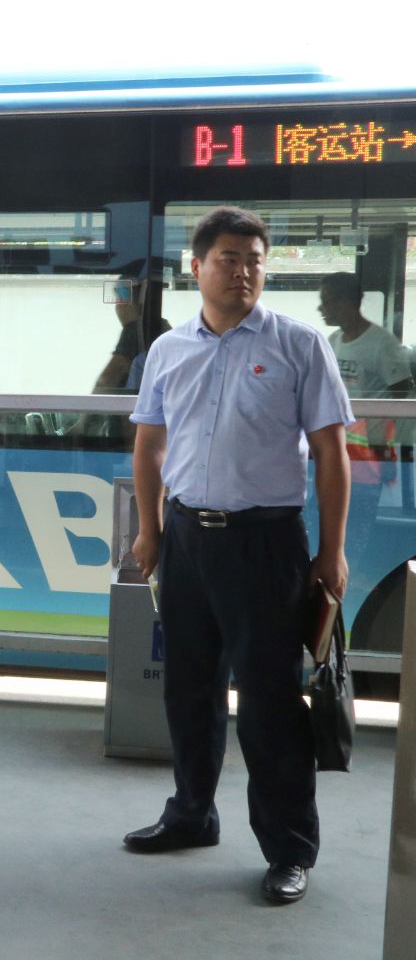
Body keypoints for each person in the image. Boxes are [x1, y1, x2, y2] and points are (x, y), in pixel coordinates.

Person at [124, 206, 352, 905]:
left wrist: (332, 550)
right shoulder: (167, 350)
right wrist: (150, 529)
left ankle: (289, 849)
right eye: (229, 258)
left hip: (266, 544)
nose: (243, 271)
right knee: (188, 688)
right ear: (196, 267)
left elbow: (331, 452)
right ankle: (192, 812)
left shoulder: (298, 344)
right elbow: (150, 444)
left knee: (269, 702)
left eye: (255, 260)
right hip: (187, 538)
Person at [318, 272, 411, 542]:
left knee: (356, 528)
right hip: (338, 448)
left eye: (328, 301)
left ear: (348, 302)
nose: (321, 308)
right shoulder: (333, 341)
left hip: (369, 454)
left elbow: (401, 394)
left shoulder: (381, 344)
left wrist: (387, 451)